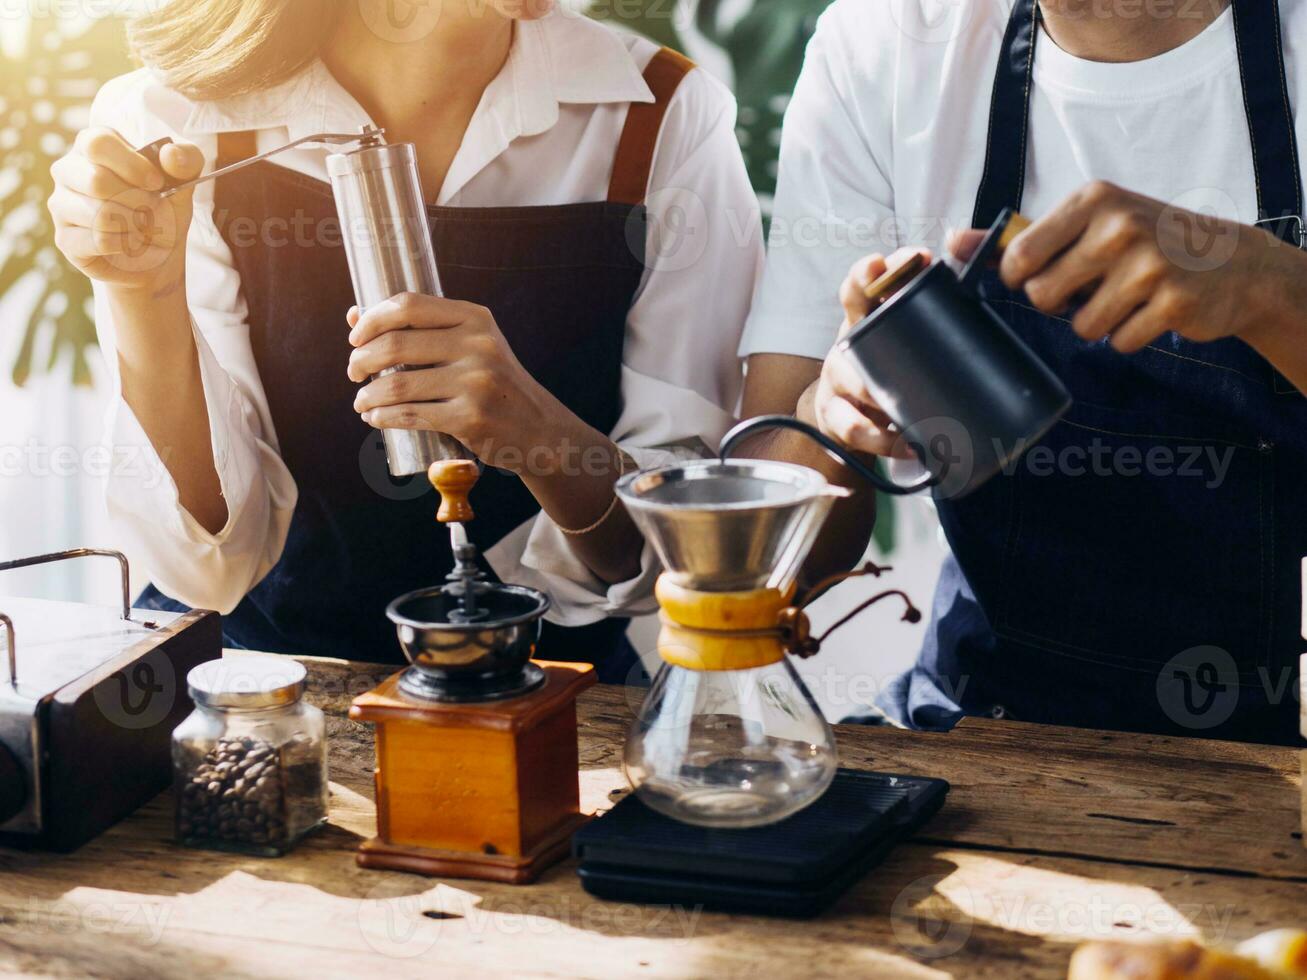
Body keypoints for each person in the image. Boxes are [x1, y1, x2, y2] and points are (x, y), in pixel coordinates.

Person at [49, 0, 762, 680]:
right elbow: (208, 567)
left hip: (557, 693)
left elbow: (687, 555)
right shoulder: (175, 126)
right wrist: (144, 292)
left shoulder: (657, 114)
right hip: (256, 682)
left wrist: (537, 433)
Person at [739, 0, 1307, 743]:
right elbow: (762, 567)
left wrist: (1275, 294)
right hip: (979, 737)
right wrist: (829, 414)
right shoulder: (884, 43)